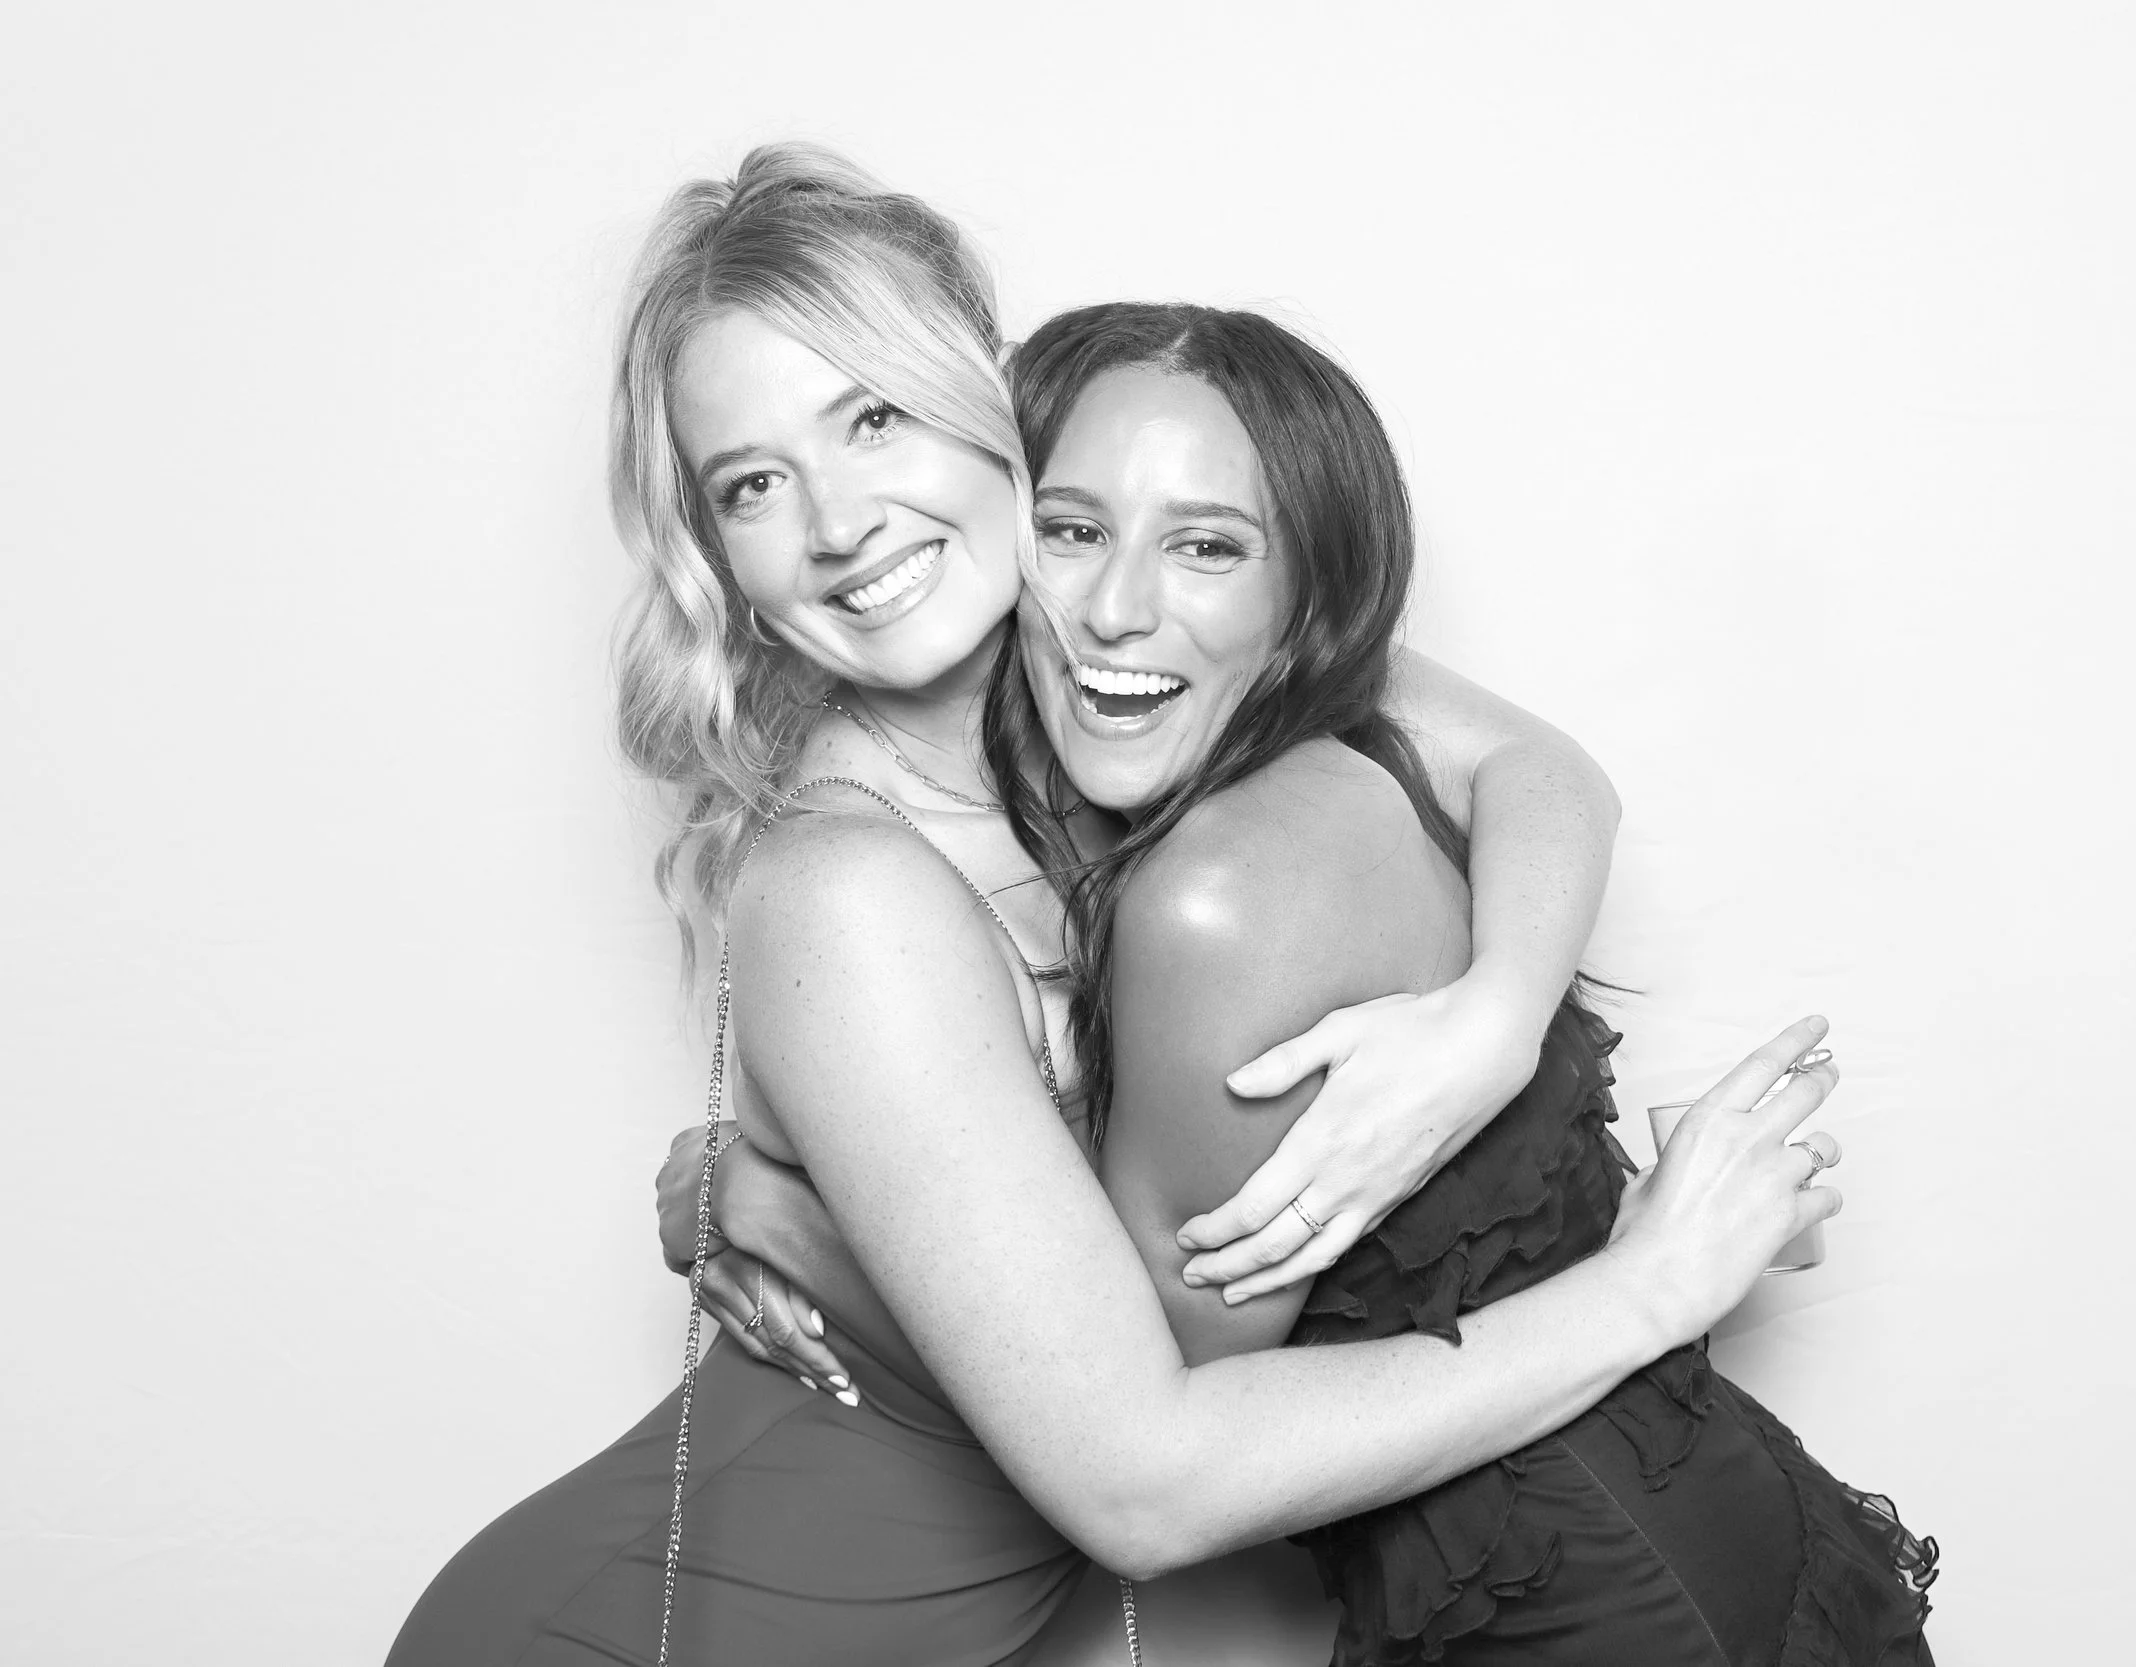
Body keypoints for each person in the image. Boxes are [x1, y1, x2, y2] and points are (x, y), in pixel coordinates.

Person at [386, 145, 1847, 1667]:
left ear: (994, 413)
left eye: (872, 418)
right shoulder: (848, 885)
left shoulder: (1114, 648)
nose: (836, 523)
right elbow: (1140, 1473)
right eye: (752, 485)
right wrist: (1651, 1286)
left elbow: (1534, 771)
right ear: (723, 561)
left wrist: (1491, 1019)